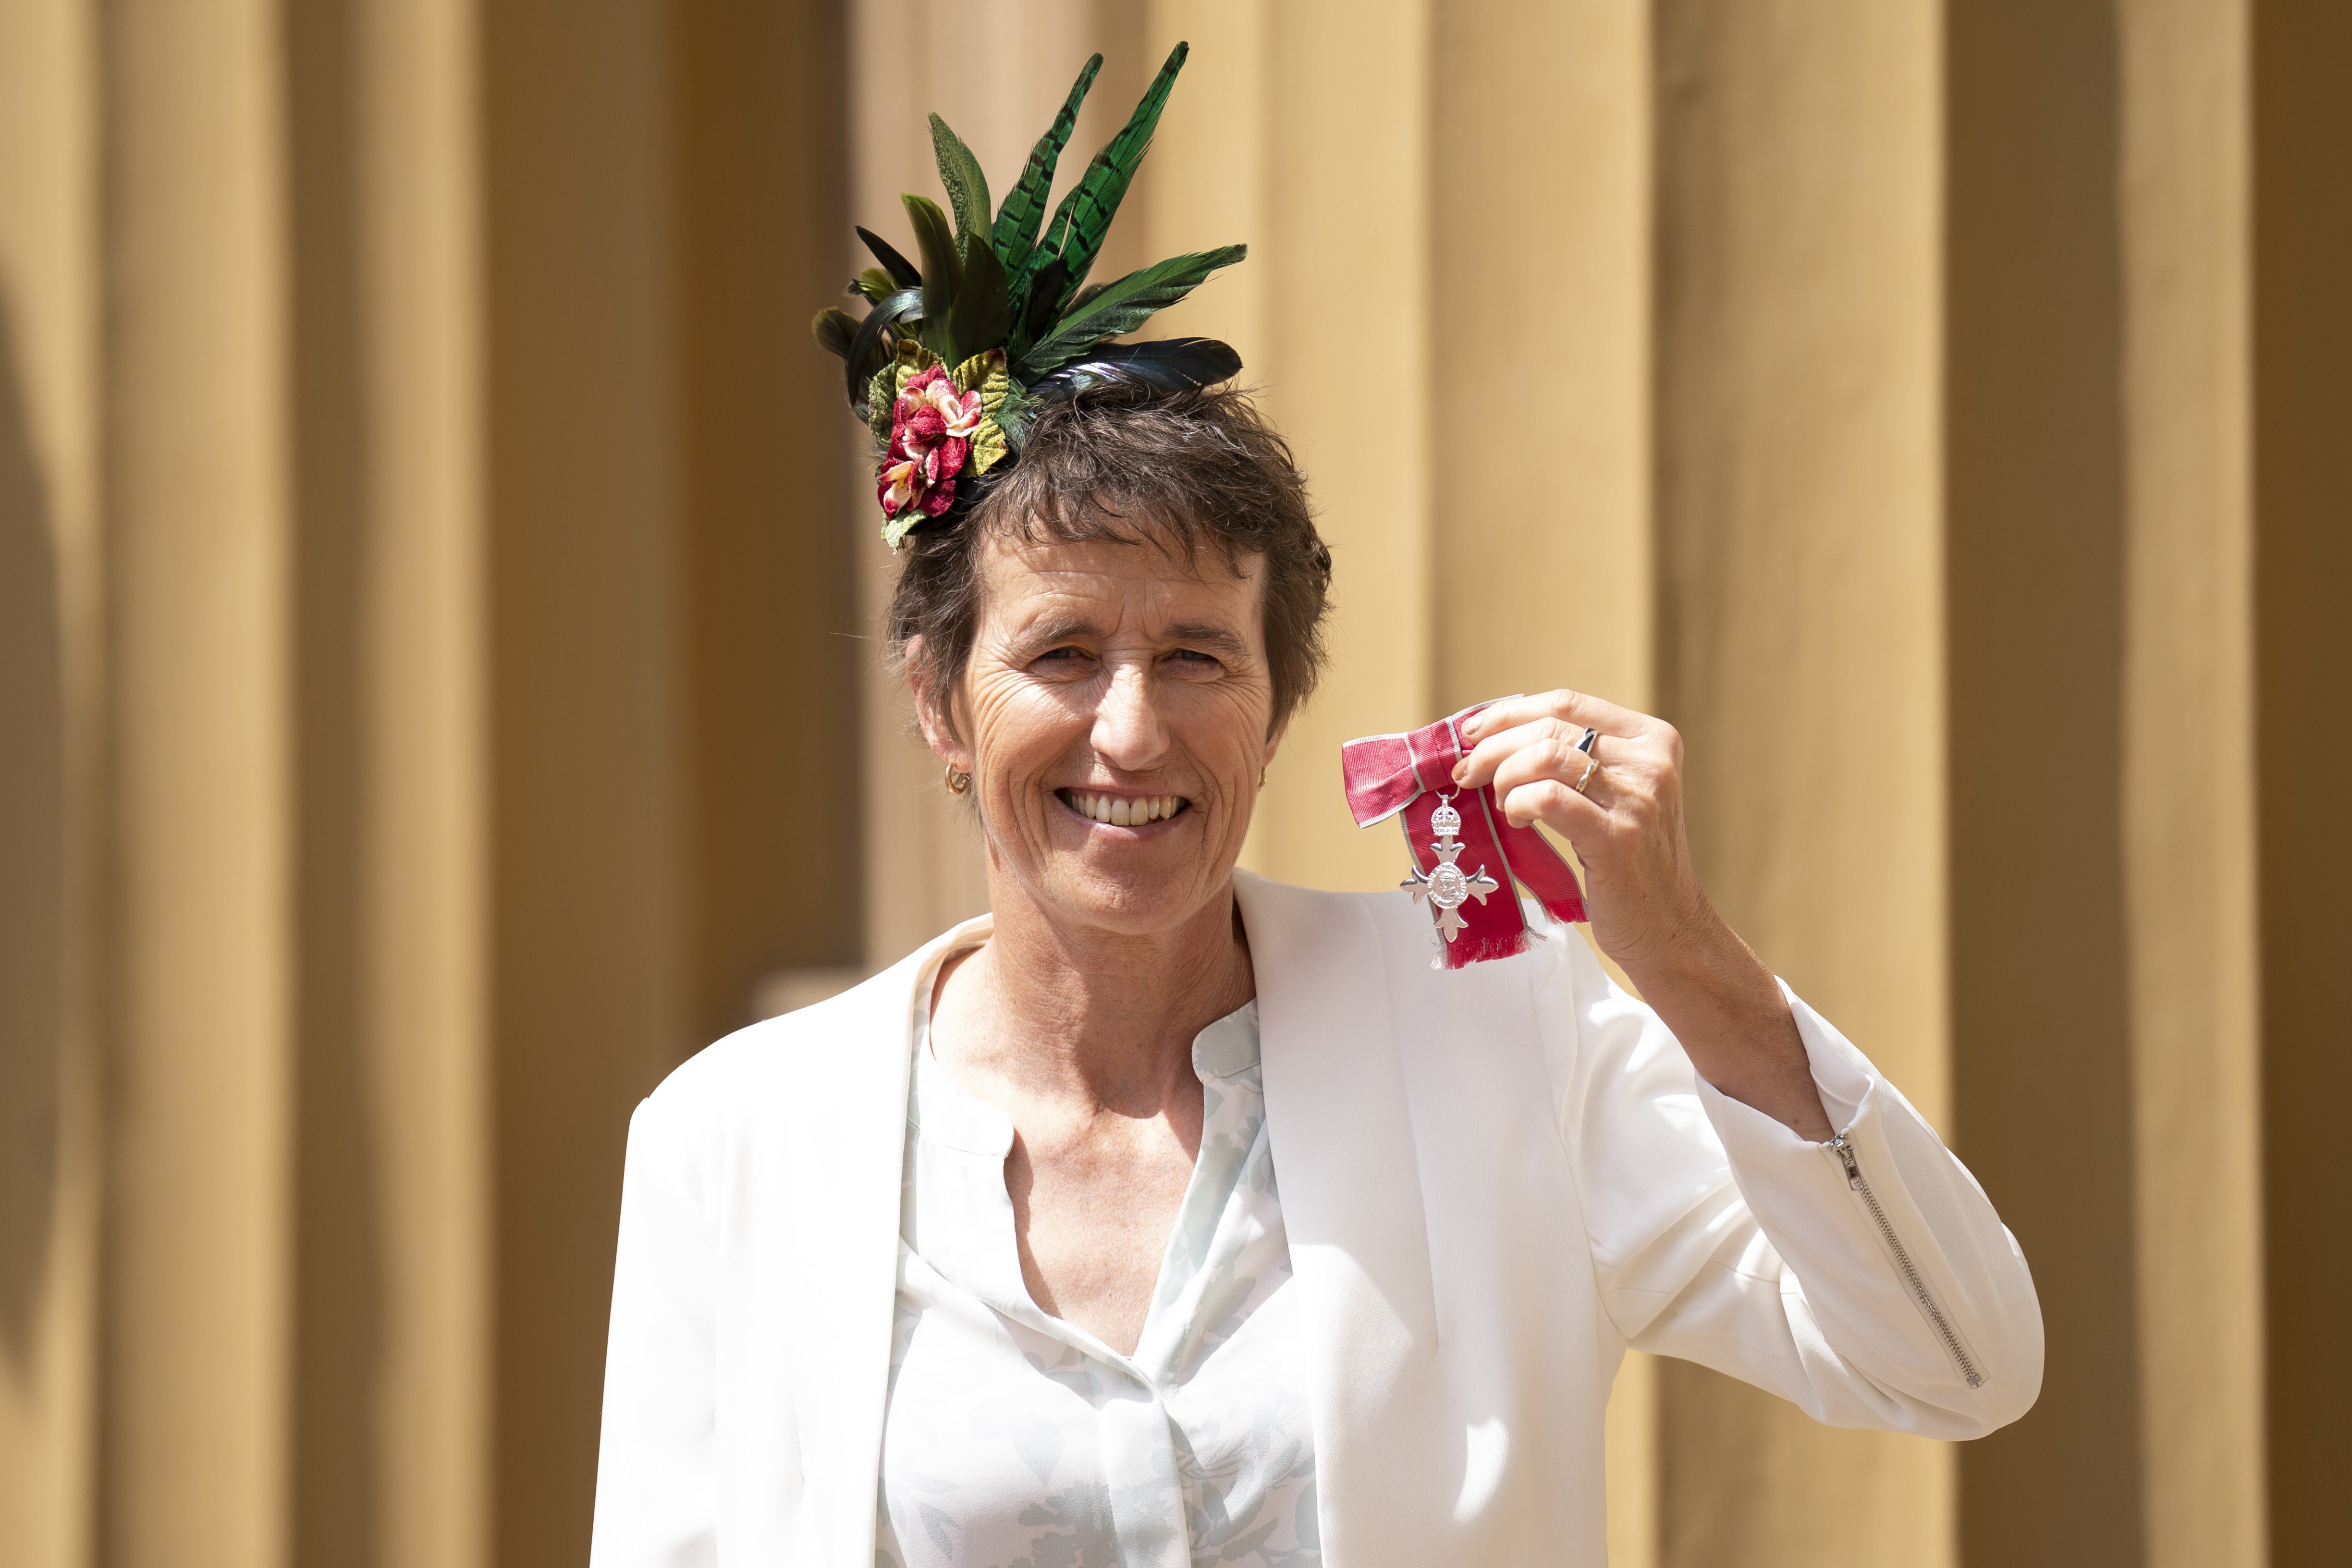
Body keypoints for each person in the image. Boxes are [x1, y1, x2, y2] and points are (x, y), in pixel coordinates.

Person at [590, 45, 2041, 1568]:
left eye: (1198, 656)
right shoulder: (737, 1140)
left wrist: (1684, 957)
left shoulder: (1504, 1048)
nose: (1133, 729)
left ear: (1278, 708)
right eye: (1064, 654)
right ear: (941, 701)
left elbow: (1953, 1364)